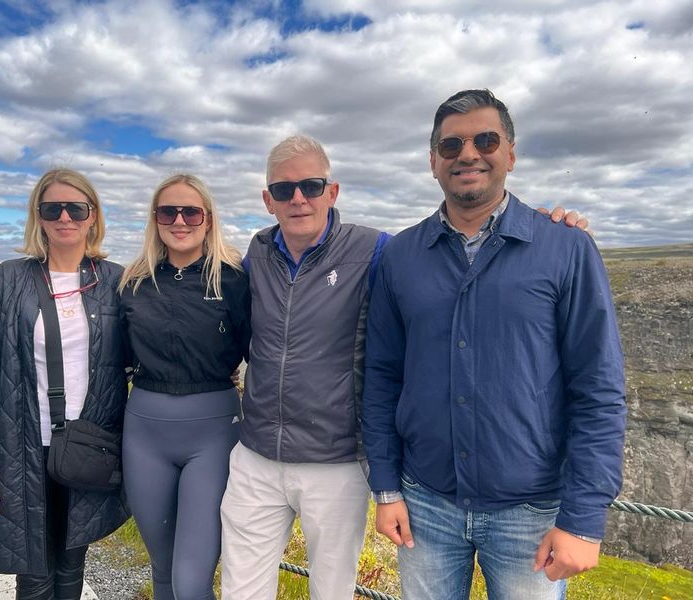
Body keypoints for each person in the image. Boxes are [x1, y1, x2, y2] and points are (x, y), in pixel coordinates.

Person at [219, 134, 588, 600]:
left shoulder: (378, 251)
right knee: (240, 588)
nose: (298, 198)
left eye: (311, 186)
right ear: (267, 200)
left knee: (330, 591)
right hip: (256, 456)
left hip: (334, 460)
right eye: (284, 189)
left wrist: (557, 234)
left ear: (332, 193)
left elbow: (450, 264)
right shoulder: (253, 258)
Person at [361, 89, 627, 600]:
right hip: (424, 505)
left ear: (510, 153)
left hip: (531, 513)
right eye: (450, 144)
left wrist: (585, 519)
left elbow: (598, 388)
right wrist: (387, 488)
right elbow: (382, 377)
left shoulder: (566, 248)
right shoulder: (401, 257)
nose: (467, 154)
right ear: (432, 161)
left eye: (485, 140)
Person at [0, 168, 130, 600]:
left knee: (71, 563)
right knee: (33, 569)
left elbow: (152, 348)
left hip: (89, 447)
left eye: (76, 208)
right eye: (52, 208)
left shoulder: (117, 282)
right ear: (39, 216)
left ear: (92, 216)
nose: (64, 216)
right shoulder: (8, 280)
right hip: (21, 448)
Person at [119, 174, 250, 600]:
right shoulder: (133, 283)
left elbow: (262, 355)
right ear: (155, 219)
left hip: (212, 434)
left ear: (208, 219)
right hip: (144, 433)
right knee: (162, 572)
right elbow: (114, 362)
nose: (179, 220)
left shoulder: (233, 279)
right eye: (167, 211)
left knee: (191, 582)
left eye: (190, 211)